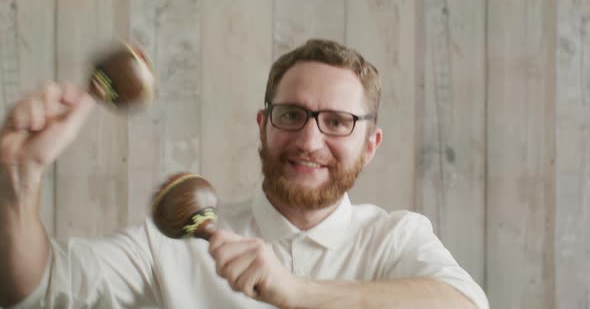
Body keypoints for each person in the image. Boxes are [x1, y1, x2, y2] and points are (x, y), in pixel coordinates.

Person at [0, 39, 489, 308]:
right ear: (264, 126)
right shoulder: (169, 246)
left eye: (338, 122)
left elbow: (464, 305)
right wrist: (17, 184)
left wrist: (295, 291)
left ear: (371, 145)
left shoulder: (395, 238)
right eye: (291, 115)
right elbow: (37, 287)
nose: (309, 141)